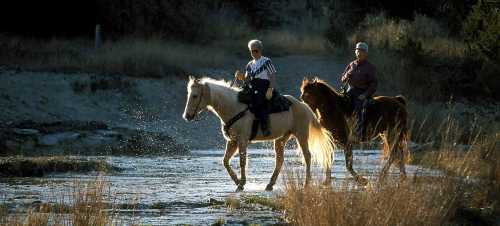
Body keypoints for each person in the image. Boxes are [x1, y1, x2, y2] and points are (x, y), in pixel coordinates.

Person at [235, 39, 277, 136]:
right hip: (252, 86)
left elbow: (273, 76)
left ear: (260, 50)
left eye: (256, 51)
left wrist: (270, 89)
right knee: (239, 97)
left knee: (259, 101)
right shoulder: (249, 65)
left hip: (264, 86)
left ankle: (265, 127)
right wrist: (241, 77)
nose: (253, 53)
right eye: (251, 51)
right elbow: (247, 79)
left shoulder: (266, 61)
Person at [340, 42, 378, 141]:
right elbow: (342, 78)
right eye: (358, 51)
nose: (359, 53)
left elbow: (373, 84)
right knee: (339, 105)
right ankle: (340, 131)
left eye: (362, 51)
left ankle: (358, 135)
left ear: (366, 54)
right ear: (355, 52)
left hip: (361, 92)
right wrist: (346, 76)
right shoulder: (351, 64)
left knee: (358, 110)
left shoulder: (370, 67)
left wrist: (365, 95)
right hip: (349, 90)